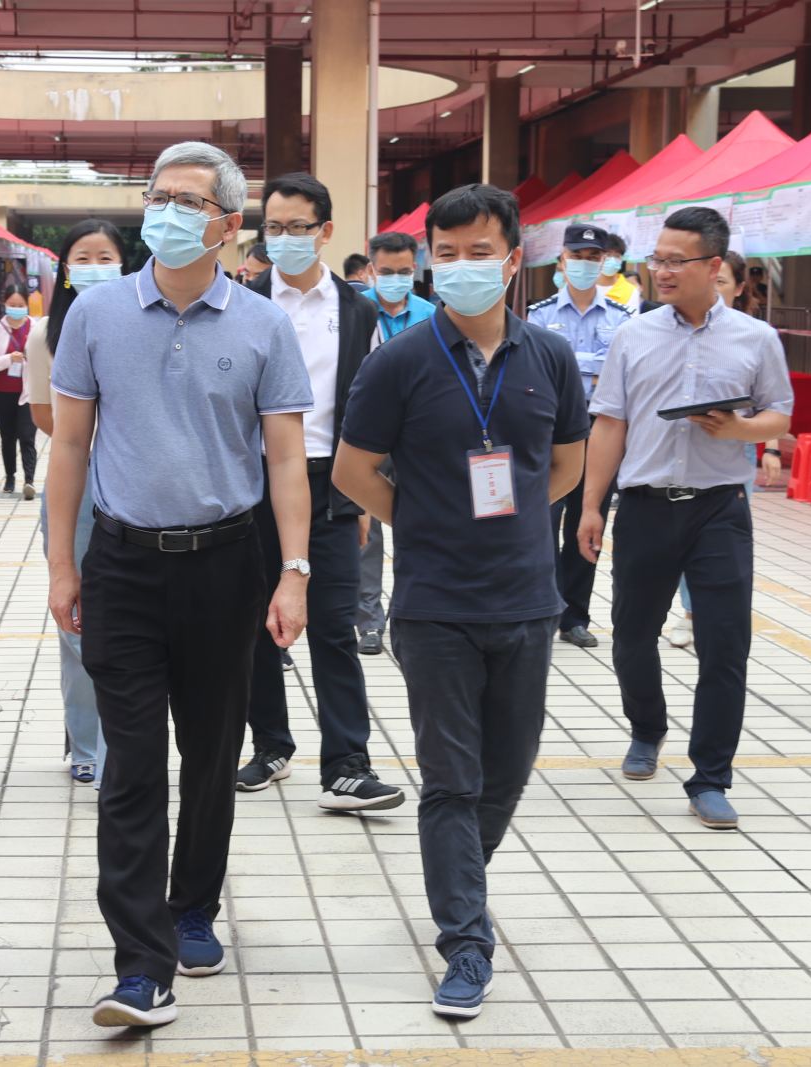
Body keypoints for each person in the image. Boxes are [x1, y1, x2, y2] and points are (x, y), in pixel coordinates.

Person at [46, 141, 311, 1030]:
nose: (165, 211)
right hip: (122, 564)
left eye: (188, 201)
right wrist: (62, 564)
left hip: (226, 564)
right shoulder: (96, 314)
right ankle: (140, 963)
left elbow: (285, 461)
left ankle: (193, 905)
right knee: (130, 763)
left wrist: (295, 573)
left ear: (227, 225)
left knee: (209, 753)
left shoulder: (264, 325)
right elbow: (70, 446)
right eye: (158, 196)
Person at [332, 183, 588, 1020]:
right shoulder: (397, 360)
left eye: (480, 252)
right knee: (451, 778)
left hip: (528, 599)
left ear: (513, 261)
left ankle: (458, 879)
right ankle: (466, 942)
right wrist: (427, 521)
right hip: (435, 603)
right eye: (447, 254)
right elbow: (352, 470)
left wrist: (513, 525)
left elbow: (568, 462)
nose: (462, 266)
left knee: (506, 771)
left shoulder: (549, 356)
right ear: (428, 263)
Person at [577, 206, 793, 832]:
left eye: (677, 261)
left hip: (719, 508)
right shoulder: (633, 336)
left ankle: (711, 777)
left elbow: (779, 413)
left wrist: (739, 429)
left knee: (725, 644)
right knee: (631, 635)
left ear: (713, 264)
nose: (662, 271)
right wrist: (591, 505)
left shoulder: (756, 338)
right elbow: (609, 424)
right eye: (658, 259)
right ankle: (647, 727)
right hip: (645, 506)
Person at [236, 172, 403, 812]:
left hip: (330, 483)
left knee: (334, 626)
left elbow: (372, 409)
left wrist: (361, 497)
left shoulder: (359, 311)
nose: (284, 238)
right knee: (254, 625)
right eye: (273, 228)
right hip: (251, 482)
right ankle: (270, 746)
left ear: (325, 231)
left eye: (297, 227)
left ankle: (347, 764)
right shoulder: (242, 301)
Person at [26, 218, 127, 786]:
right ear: (64, 270)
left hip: (133, 480)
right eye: (82, 259)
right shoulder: (46, 332)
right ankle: (86, 742)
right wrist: (88, 440)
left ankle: (123, 742)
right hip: (78, 480)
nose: (93, 268)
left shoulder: (141, 320)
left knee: (129, 621)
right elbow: (46, 415)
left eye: (104, 257)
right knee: (77, 618)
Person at [526, 223, 635, 650]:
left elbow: (620, 375)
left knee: (587, 520)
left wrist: (570, 363)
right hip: (549, 432)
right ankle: (544, 606)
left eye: (594, 258)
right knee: (544, 521)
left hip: (599, 431)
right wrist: (591, 366)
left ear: (605, 262)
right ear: (562, 261)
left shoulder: (622, 318)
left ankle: (575, 616)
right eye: (577, 257)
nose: (586, 265)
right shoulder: (540, 314)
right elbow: (537, 373)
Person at [668, 250, 782, 648]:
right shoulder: (674, 332)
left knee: (724, 540)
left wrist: (769, 448)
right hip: (681, 449)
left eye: (722, 282)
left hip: (734, 451)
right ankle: (689, 613)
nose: (714, 289)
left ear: (738, 288)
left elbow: (773, 404)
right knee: (682, 535)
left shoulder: (755, 337)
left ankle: (716, 616)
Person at [356, 231, 438, 655]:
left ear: (415, 270)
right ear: (371, 270)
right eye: (386, 272)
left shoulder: (431, 313)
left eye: (404, 272)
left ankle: (410, 610)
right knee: (366, 532)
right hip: (366, 434)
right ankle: (369, 621)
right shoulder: (356, 311)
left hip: (416, 434)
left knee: (415, 523)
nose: (395, 279)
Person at [0, 285, 39, 499]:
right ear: (4, 304)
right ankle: (10, 477)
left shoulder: (36, 328)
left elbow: (47, 356)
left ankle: (29, 480)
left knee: (27, 436)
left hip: (29, 393)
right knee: (8, 436)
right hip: (3, 393)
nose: (16, 308)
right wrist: (8, 359)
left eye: (20, 305)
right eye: (12, 305)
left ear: (27, 305)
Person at [595, 233, 642, 313]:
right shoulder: (586, 287)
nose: (612, 260)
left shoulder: (630, 291)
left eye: (617, 256)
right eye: (608, 255)